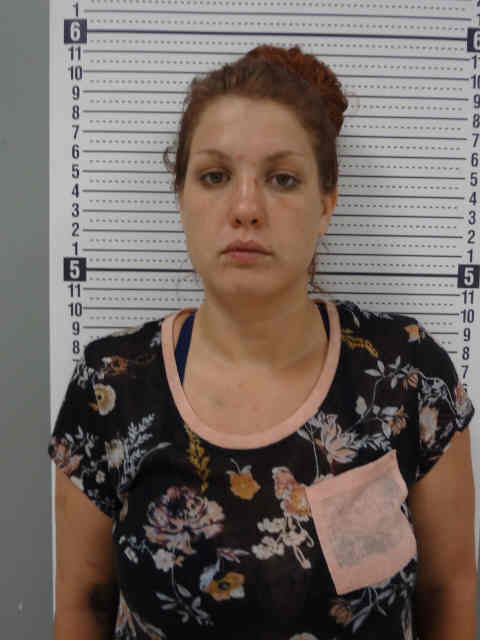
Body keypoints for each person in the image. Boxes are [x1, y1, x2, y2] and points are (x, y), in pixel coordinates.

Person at [49, 44, 477, 639]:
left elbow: (449, 589)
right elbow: (83, 601)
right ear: (181, 197)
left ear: (326, 203)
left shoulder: (407, 375)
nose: (246, 208)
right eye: (215, 176)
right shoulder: (110, 386)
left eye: (282, 179)